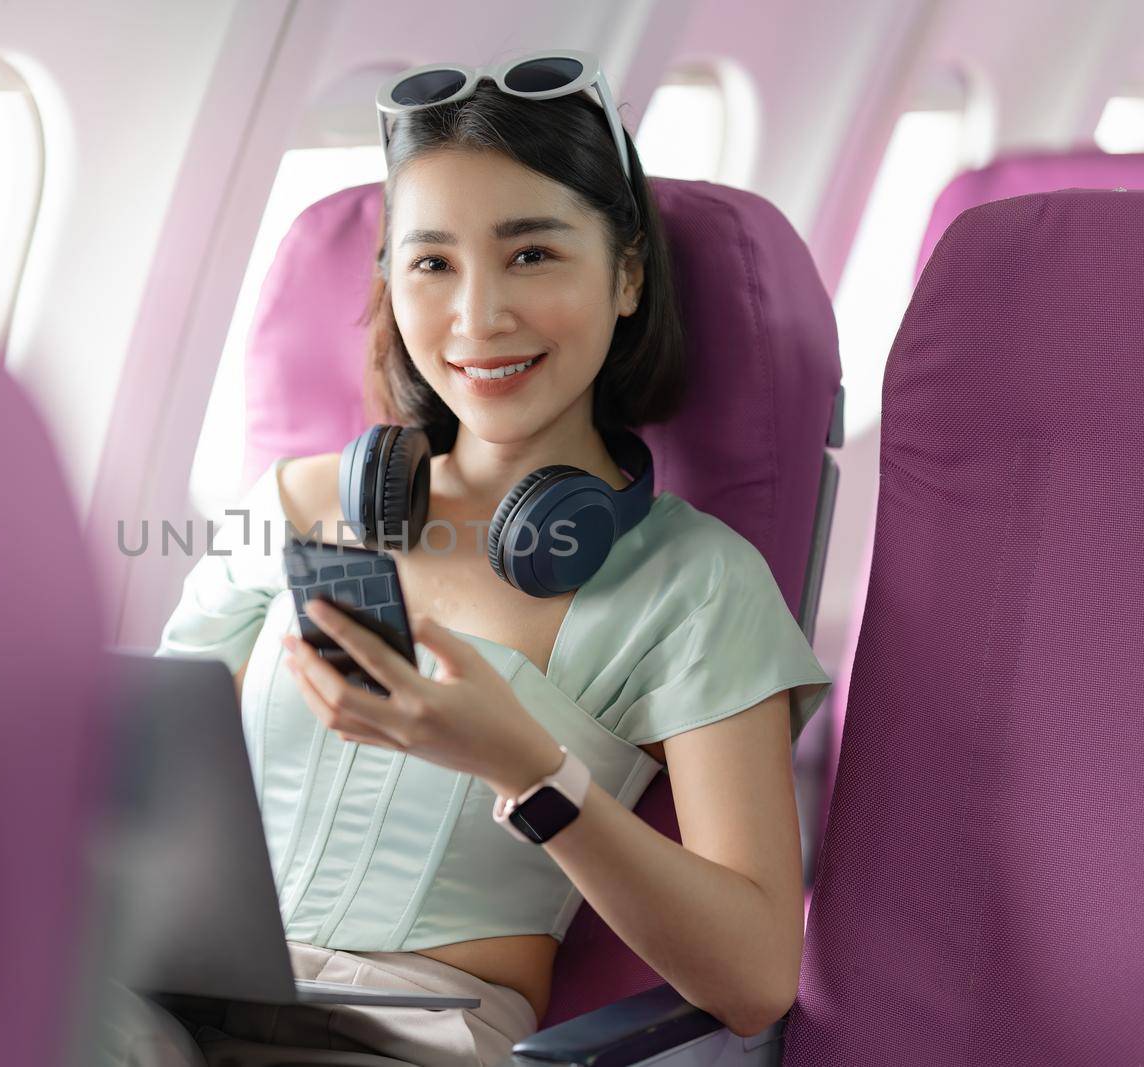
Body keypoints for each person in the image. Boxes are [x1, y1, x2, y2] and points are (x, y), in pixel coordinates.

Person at [110, 50, 833, 1066]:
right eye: (432, 261)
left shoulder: (691, 581)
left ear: (626, 275)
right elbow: (138, 778)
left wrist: (524, 762)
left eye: (531, 255)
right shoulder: (299, 503)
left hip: (413, 1037)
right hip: (163, 1004)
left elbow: (756, 975)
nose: (476, 316)